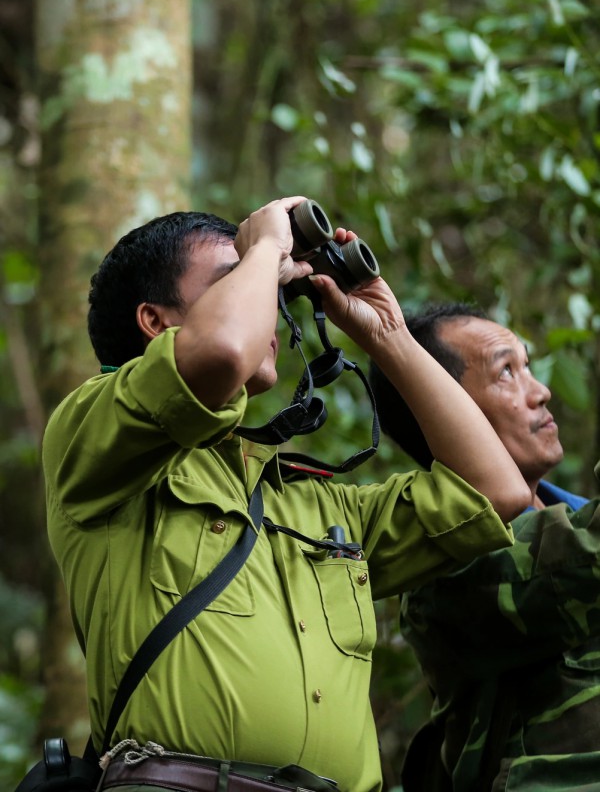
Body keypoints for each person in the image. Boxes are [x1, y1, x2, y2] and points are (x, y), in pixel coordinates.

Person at [42, 201, 530, 792]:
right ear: (156, 321)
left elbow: (494, 490)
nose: (269, 307)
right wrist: (267, 249)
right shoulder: (93, 439)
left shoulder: (314, 505)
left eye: (272, 289)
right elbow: (220, 351)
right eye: (238, 279)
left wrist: (389, 336)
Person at [369, 301, 599, 792]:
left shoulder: (575, 515)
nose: (541, 392)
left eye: (529, 367)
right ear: (444, 408)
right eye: (506, 372)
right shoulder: (446, 565)